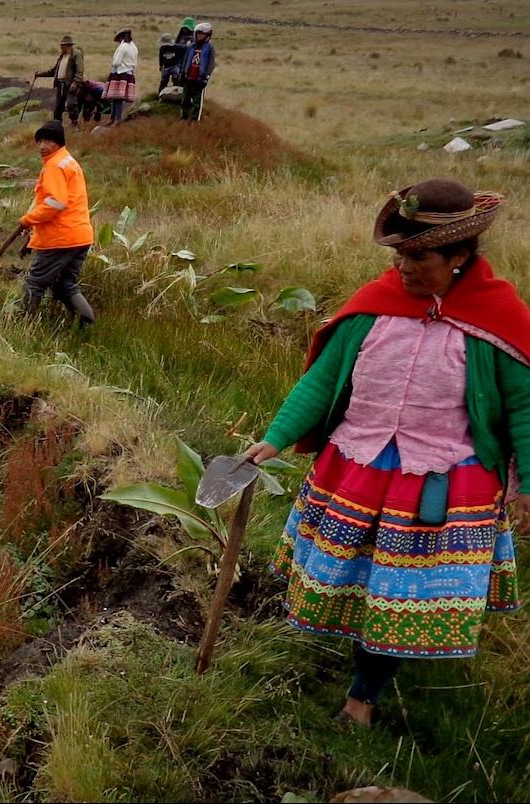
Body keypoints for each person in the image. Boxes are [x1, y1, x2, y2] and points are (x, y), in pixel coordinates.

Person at [243, 179, 529, 728]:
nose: (403, 266)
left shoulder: (499, 319)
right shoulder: (375, 308)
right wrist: (275, 437)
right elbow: (323, 382)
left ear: (460, 257)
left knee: (401, 594)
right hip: (359, 467)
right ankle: (352, 651)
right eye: (400, 252)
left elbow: (524, 408)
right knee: (359, 577)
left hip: (440, 481)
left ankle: (362, 697)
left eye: (419, 255)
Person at [16, 122, 95, 326]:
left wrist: (27, 220)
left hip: (60, 238)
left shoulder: (54, 166)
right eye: (39, 141)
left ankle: (23, 328)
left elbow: (55, 203)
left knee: (35, 283)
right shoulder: (69, 162)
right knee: (65, 285)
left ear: (58, 142)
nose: (42, 145)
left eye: (48, 140)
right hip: (81, 236)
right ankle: (86, 322)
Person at [34, 35, 84, 125]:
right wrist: (40, 74)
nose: (61, 47)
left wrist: (75, 82)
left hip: (70, 84)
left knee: (71, 104)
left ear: (67, 45)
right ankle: (57, 125)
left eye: (62, 45)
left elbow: (79, 70)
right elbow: (54, 71)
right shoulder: (62, 57)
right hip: (61, 84)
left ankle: (74, 123)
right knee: (58, 107)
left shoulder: (76, 54)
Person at [180, 22, 216, 121]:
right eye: (198, 33)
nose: (199, 36)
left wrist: (206, 77)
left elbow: (211, 63)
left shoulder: (209, 48)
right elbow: (186, 60)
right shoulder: (191, 46)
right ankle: (184, 116)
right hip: (189, 76)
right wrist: (182, 73)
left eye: (201, 34)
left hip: (199, 78)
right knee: (185, 99)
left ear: (207, 35)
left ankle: (195, 119)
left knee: (197, 101)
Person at [106, 27, 138, 125]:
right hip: (129, 73)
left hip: (120, 73)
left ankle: (116, 119)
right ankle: (114, 118)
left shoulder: (123, 47)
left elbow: (116, 62)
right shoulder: (134, 47)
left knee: (117, 98)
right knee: (118, 98)